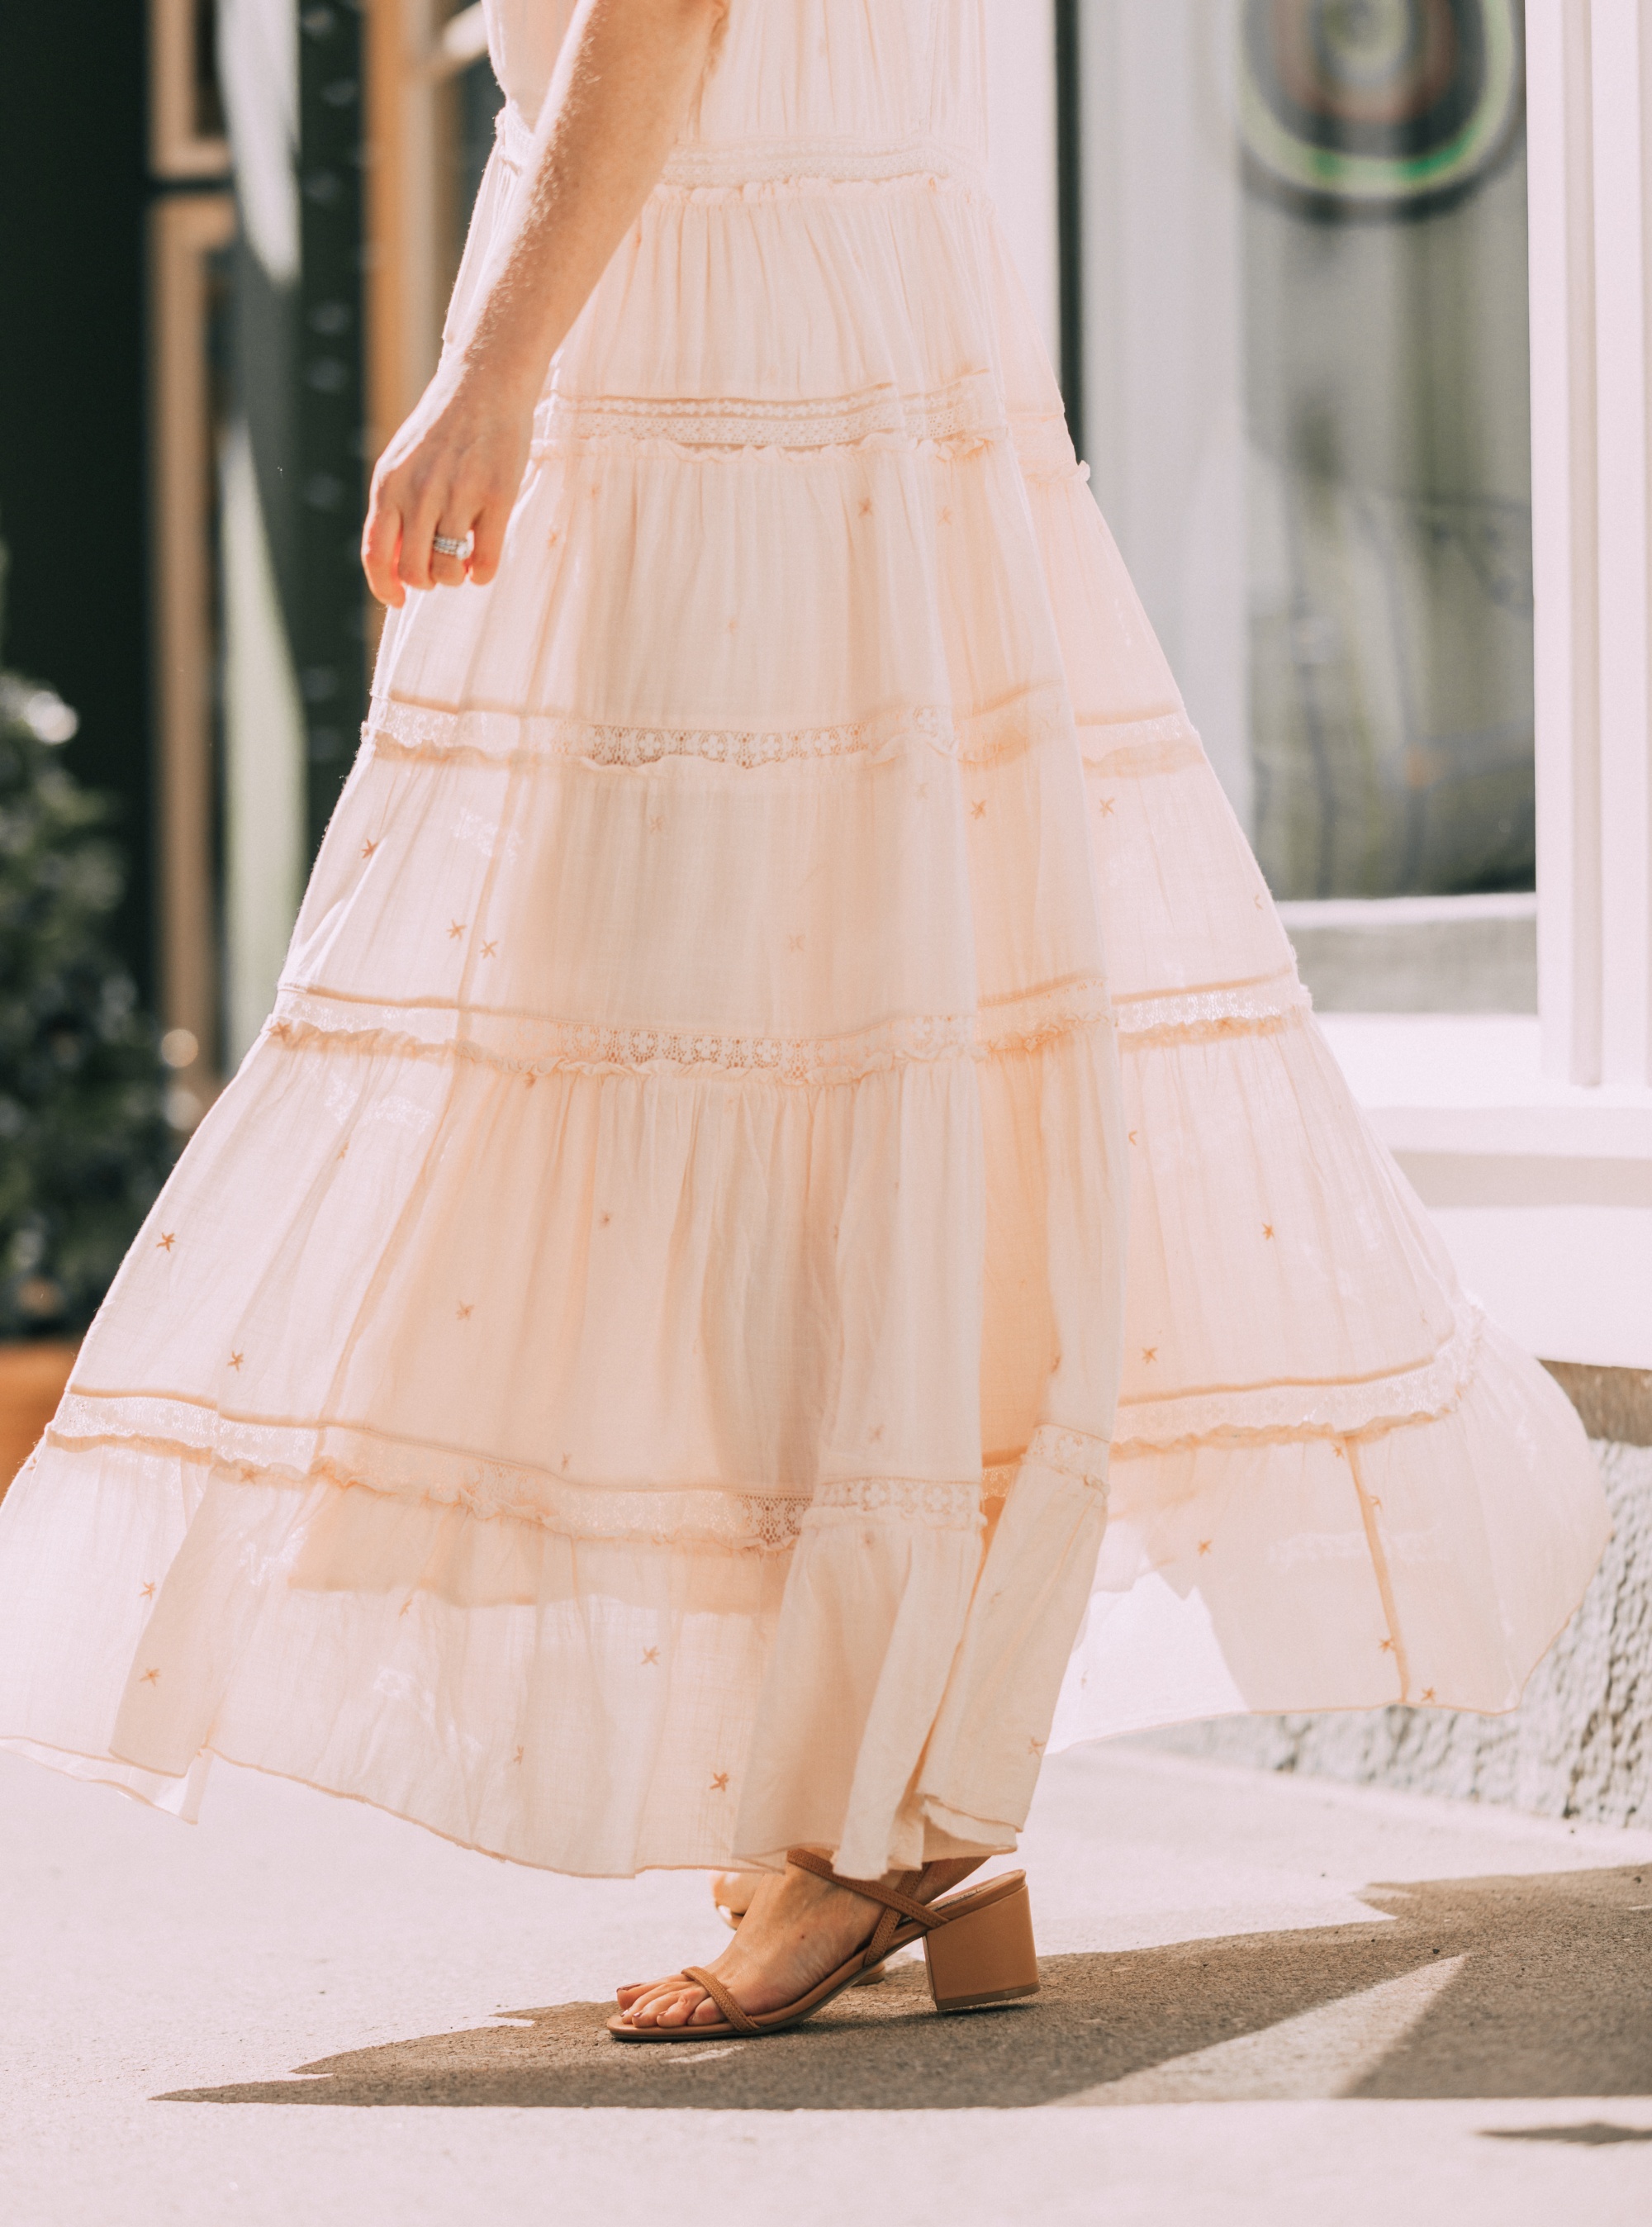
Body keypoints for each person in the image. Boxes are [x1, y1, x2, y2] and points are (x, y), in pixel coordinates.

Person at [0, 0, 1609, 2041]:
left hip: (733, 346)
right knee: (834, 1037)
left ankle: (863, 1826)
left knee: (755, 1053)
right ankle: (875, 1816)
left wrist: (490, 364)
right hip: (808, 321)